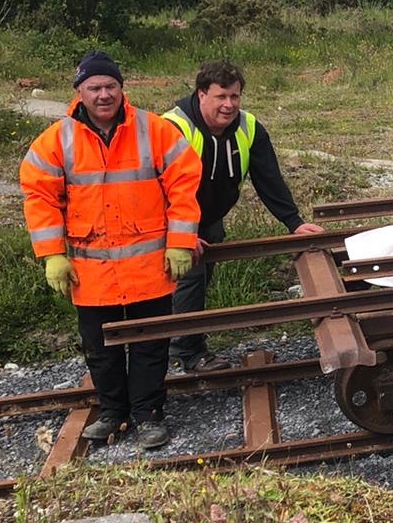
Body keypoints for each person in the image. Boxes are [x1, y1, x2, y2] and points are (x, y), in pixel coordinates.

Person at [20, 51, 201, 450]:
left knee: (150, 345)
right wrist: (52, 254)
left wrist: (180, 243)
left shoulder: (153, 130)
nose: (104, 95)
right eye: (95, 88)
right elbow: (38, 195)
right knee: (100, 348)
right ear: (79, 92)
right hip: (92, 270)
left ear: (122, 89)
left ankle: (149, 415)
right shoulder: (57, 138)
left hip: (149, 266)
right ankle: (112, 412)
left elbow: (184, 186)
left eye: (110, 86)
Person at [162, 59, 325, 372]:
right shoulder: (173, 128)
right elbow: (155, 187)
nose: (228, 104)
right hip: (168, 217)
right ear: (201, 95)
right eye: (221, 96)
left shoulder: (249, 128)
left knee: (198, 277)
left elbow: (269, 179)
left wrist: (294, 222)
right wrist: (180, 233)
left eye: (234, 96)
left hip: (208, 217)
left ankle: (172, 342)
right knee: (189, 277)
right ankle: (187, 352)